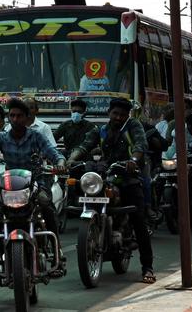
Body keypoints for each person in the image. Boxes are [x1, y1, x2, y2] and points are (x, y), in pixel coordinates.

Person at [0, 98, 65, 306]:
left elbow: (53, 153)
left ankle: (58, 253)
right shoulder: (2, 137)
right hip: (9, 186)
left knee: (47, 206)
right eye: (12, 115)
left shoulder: (36, 136)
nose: (15, 119)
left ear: (27, 118)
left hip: (35, 184)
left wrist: (60, 163)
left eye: (19, 115)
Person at [76, 98, 155, 285]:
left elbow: (140, 145)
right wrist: (71, 160)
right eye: (115, 114)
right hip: (104, 178)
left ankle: (148, 267)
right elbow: (84, 146)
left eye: (122, 114)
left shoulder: (133, 126)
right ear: (109, 113)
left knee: (139, 220)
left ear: (127, 115)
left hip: (128, 177)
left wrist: (133, 160)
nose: (118, 117)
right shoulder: (100, 130)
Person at [58, 98, 98, 163]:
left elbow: (86, 145)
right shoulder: (65, 125)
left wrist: (72, 159)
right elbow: (52, 140)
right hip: (68, 155)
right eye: (74, 111)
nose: (76, 114)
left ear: (84, 113)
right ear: (71, 111)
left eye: (79, 112)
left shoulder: (90, 127)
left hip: (84, 157)